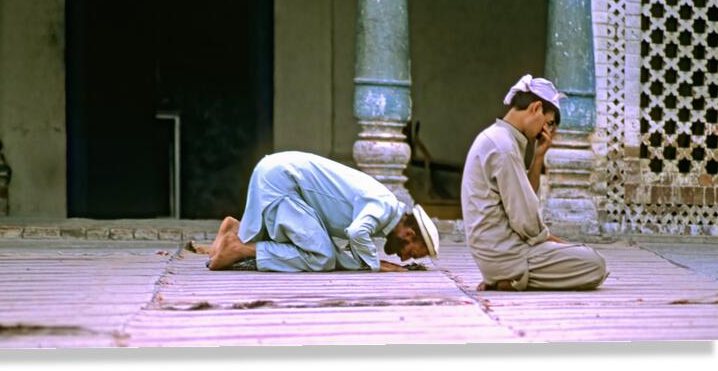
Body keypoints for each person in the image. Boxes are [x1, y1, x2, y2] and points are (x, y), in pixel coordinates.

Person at [460, 74, 608, 291]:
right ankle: (513, 277)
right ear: (536, 107)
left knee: (579, 254)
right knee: (595, 264)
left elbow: (523, 199)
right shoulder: (503, 146)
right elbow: (526, 222)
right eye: (547, 123)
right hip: (508, 254)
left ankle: (508, 278)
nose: (545, 132)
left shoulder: (500, 138)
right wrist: (552, 240)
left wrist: (538, 158)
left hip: (497, 254)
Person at [207, 151, 439, 272]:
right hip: (282, 179)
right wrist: (374, 267)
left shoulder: (384, 212)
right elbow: (357, 233)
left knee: (320, 247)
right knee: (322, 257)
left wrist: (364, 262)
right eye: (413, 253)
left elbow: (347, 241)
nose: (404, 258)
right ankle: (238, 248)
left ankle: (234, 232)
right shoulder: (384, 206)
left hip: (279, 173)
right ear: (409, 235)